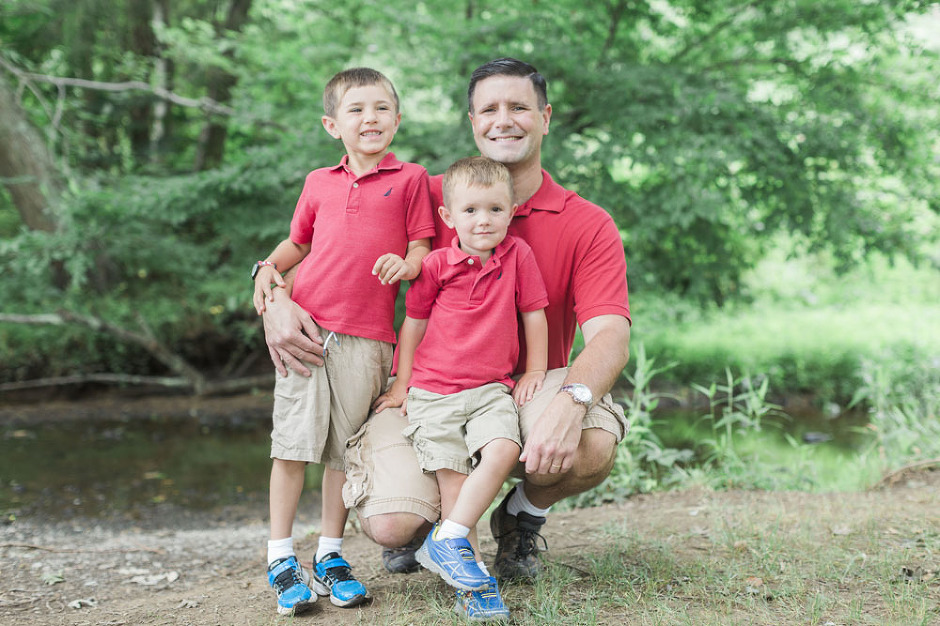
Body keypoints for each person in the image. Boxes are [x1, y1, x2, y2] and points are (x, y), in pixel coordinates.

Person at [261, 57, 631, 617]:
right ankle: (427, 525)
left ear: (546, 117)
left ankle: (519, 515)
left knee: (590, 441)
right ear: (472, 121)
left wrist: (572, 399)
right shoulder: (422, 192)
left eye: (519, 107)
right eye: (489, 109)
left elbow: (609, 337)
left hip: (517, 392)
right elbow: (329, 245)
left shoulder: (586, 221)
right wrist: (274, 299)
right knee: (387, 522)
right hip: (431, 386)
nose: (503, 119)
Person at [250, 67, 435, 616]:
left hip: (371, 340)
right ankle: (281, 558)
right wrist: (264, 270)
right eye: (356, 110)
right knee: (291, 447)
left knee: (341, 454)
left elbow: (424, 248)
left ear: (397, 120)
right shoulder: (318, 182)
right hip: (307, 331)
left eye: (381, 108)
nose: (370, 118)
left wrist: (405, 264)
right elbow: (295, 245)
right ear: (333, 125)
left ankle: (331, 556)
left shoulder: (413, 179)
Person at [372, 156, 549, 619]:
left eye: (494, 209)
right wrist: (403, 385)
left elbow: (533, 313)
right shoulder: (434, 265)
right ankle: (475, 590)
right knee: (455, 489)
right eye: (470, 210)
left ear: (512, 211)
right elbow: (412, 325)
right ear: (448, 217)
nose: (483, 220)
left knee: (504, 449)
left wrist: (534, 371)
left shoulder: (518, 257)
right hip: (435, 392)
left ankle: (445, 540)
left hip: (491, 388)